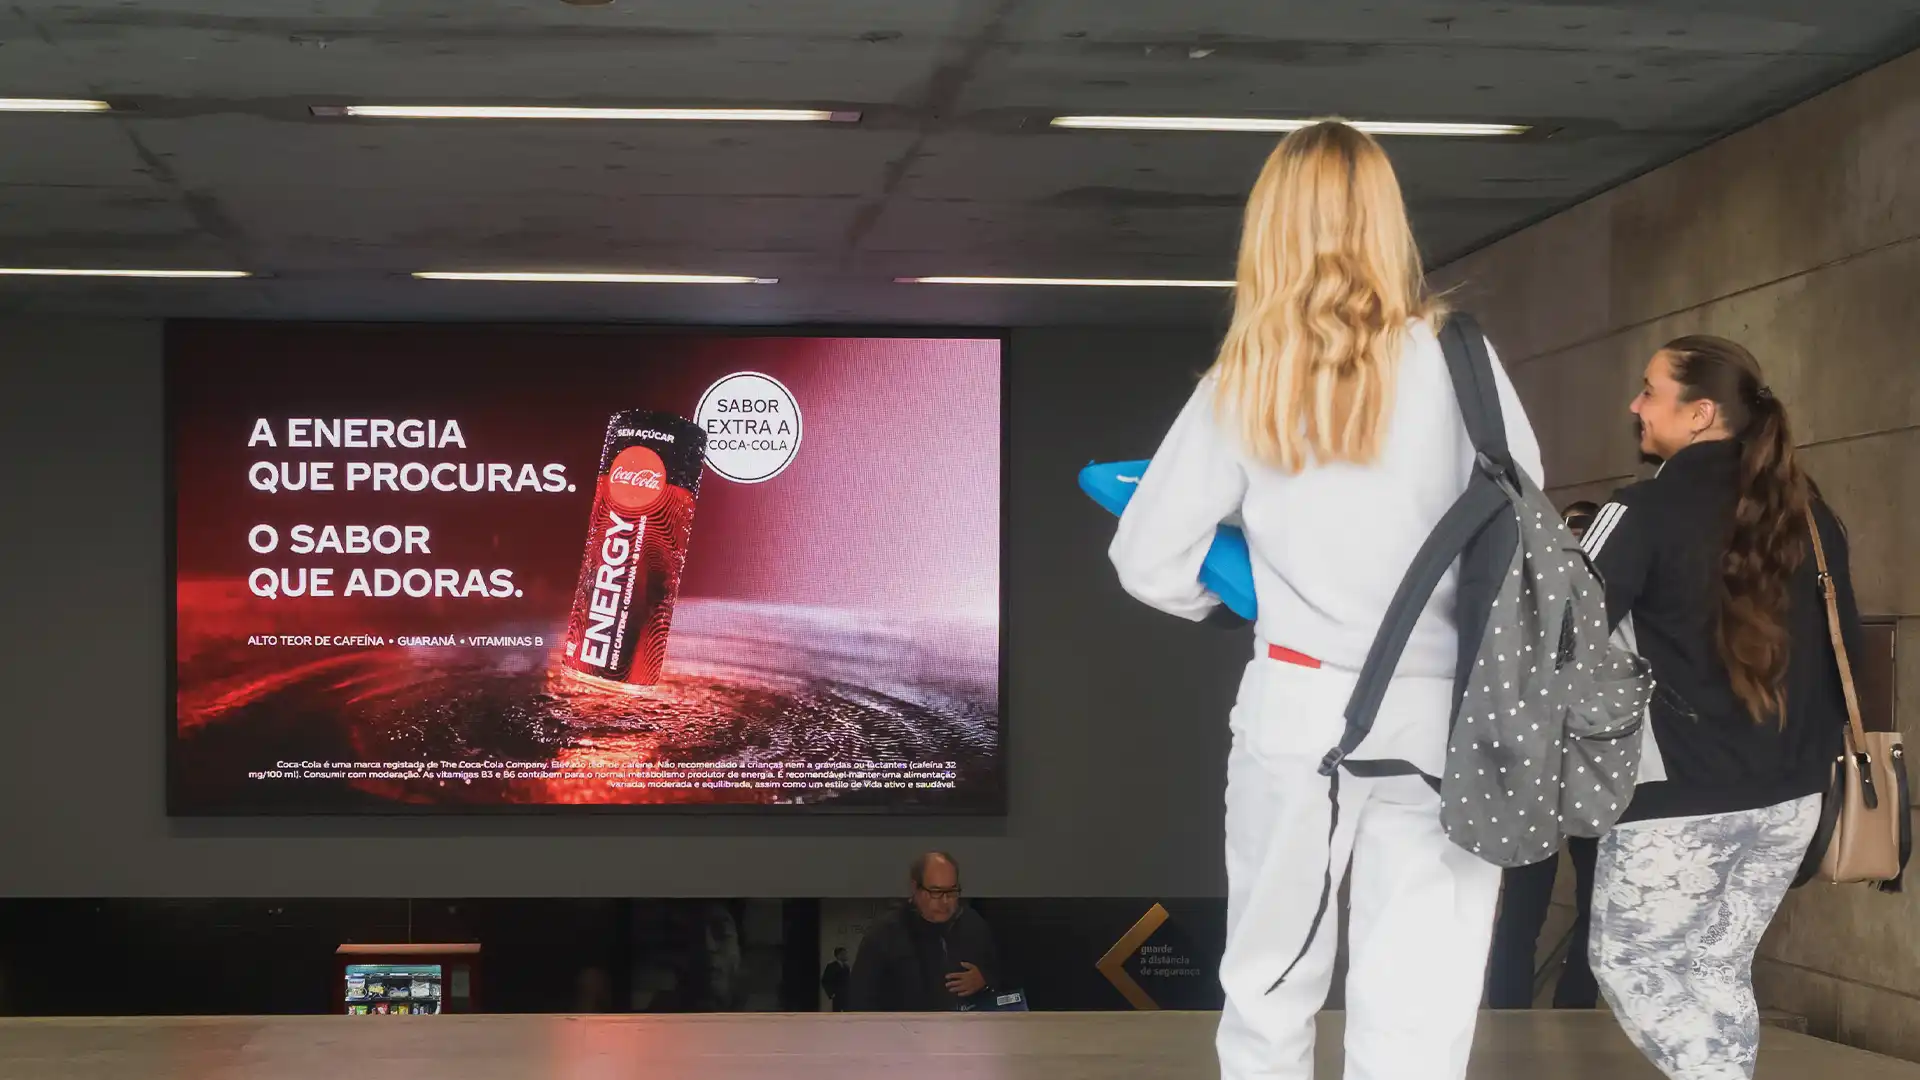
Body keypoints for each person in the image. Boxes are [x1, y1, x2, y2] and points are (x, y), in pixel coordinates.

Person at [1108, 120, 1543, 1080]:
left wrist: (1242, 599)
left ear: (1271, 226)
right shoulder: (1465, 363)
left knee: (1269, 983)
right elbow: (1523, 533)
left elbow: (1146, 559)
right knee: (1421, 999)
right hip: (1452, 718)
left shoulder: (1249, 378)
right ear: (1389, 219)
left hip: (1301, 708)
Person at [1583, 336, 1855, 1080]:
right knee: (1714, 970)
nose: (1634, 406)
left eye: (1649, 391)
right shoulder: (1813, 516)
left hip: (1683, 795)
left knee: (1628, 959)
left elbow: (1560, 633)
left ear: (1701, 413)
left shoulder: (1637, 510)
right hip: (1794, 796)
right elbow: (1843, 652)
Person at [1484, 501, 1602, 1010]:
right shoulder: (1526, 601)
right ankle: (1512, 1021)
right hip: (1546, 776)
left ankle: (1568, 1013)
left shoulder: (1603, 602)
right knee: (1524, 915)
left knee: (1591, 912)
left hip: (1587, 774)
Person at [847, 852, 1001, 1011]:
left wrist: (984, 980)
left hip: (968, 1030)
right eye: (936, 892)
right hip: (901, 1032)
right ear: (915, 888)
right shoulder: (883, 935)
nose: (945, 901)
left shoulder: (973, 925)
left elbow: (1002, 979)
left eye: (952, 891)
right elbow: (860, 1002)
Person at [820, 947, 851, 1012]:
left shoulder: (846, 967)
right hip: (837, 995)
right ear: (839, 955)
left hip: (846, 995)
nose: (846, 956)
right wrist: (831, 993)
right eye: (844, 954)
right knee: (837, 1013)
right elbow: (825, 980)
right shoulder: (832, 966)